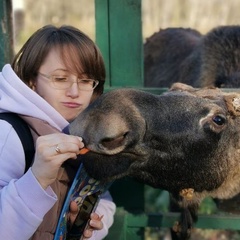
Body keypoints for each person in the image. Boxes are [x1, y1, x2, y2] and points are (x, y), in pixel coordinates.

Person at [0, 25, 116, 239]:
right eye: (60, 79)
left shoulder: (85, 130)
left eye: (85, 81)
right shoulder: (9, 133)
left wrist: (87, 221)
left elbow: (103, 198)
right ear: (32, 81)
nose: (74, 92)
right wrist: (37, 179)